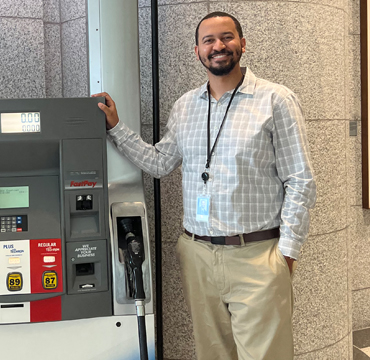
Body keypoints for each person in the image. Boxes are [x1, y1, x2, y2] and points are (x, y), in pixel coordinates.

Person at [93, 11, 316, 360]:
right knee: (212, 355)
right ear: (197, 51)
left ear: (242, 43)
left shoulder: (276, 101)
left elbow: (300, 180)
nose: (218, 46)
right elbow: (159, 162)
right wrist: (116, 128)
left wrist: (286, 253)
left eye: (226, 37)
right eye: (208, 40)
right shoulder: (185, 107)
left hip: (257, 255)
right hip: (198, 255)